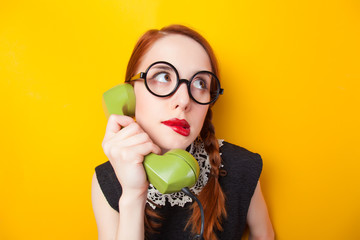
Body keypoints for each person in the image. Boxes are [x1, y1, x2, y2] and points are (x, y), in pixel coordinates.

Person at [91, 24, 274, 240]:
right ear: (129, 95)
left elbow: (264, 236)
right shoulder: (107, 180)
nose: (184, 100)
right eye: (163, 77)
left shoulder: (240, 166)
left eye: (199, 83)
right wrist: (133, 195)